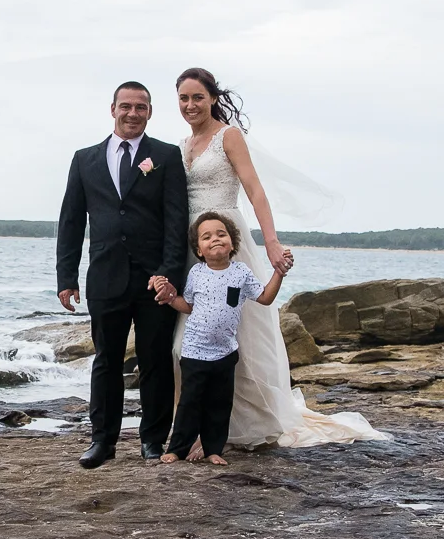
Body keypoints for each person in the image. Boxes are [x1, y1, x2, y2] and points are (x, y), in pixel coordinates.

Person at [153, 67, 385, 449]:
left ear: (212, 98)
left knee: (237, 335)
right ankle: (190, 426)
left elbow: (255, 190)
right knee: (189, 341)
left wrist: (272, 242)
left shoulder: (228, 136)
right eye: (183, 98)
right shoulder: (181, 145)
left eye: (197, 97)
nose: (190, 105)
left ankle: (238, 425)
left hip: (228, 240)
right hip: (192, 249)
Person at [55, 81, 190, 469]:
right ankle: (103, 441)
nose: (133, 113)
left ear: (150, 112)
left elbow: (175, 220)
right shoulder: (85, 159)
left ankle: (152, 441)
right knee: (106, 361)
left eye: (141, 107)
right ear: (112, 108)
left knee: (155, 361)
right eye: (126, 106)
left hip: (154, 280)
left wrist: (168, 272)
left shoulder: (165, 155)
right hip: (105, 276)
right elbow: (70, 222)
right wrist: (67, 277)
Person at [154, 211, 288, 465]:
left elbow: (265, 298)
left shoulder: (241, 273)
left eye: (221, 234)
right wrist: (171, 298)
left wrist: (279, 273)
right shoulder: (196, 273)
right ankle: (178, 448)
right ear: (199, 249)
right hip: (194, 351)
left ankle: (214, 448)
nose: (215, 239)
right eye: (206, 237)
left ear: (233, 242)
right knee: (189, 403)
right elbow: (189, 305)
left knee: (219, 404)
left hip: (225, 353)